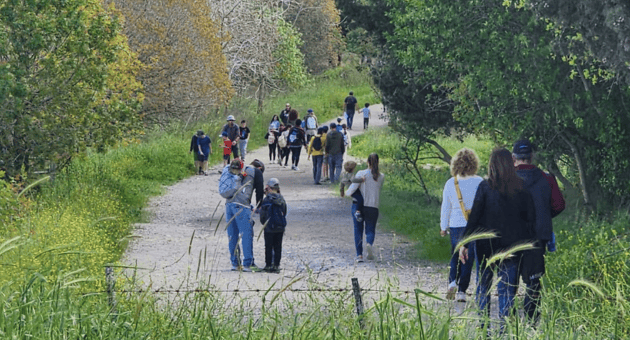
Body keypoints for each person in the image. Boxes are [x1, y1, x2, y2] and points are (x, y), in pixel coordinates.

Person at [459, 148, 536, 329]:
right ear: (511, 163)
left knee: (483, 288)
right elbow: (530, 220)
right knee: (507, 291)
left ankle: (484, 329)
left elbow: (475, 217)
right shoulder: (522, 187)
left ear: (492, 164)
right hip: (512, 248)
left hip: (486, 246)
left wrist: (465, 242)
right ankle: (504, 331)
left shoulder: (485, 187)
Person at [512, 139, 565, 323]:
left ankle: (508, 318)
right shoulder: (547, 178)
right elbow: (559, 205)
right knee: (533, 281)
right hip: (537, 236)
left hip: (511, 237)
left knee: (510, 279)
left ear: (514, 158)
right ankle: (532, 320)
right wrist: (543, 214)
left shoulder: (506, 179)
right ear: (532, 157)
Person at [440, 148, 483, 302]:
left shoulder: (451, 183)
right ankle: (462, 292)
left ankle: (452, 282)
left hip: (456, 224)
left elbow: (446, 207)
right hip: (475, 226)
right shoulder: (480, 182)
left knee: (455, 255)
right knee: (468, 258)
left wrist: (443, 226)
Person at [222, 159, 265, 272]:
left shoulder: (231, 168)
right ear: (260, 168)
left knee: (232, 236)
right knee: (246, 234)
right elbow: (259, 191)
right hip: (242, 205)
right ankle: (248, 264)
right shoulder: (257, 172)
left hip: (229, 204)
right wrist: (258, 207)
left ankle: (235, 263)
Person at [346, 153, 385, 262]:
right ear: (378, 162)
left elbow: (350, 191)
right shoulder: (381, 176)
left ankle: (359, 255)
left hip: (359, 206)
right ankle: (369, 243)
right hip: (373, 206)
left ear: (368, 162)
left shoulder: (361, 173)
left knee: (358, 230)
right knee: (370, 229)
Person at [260, 178, 287, 273]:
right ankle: (276, 265)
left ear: (269, 188)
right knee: (278, 246)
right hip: (280, 226)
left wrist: (264, 223)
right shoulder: (281, 198)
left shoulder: (266, 199)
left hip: (269, 227)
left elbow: (262, 214)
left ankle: (268, 265)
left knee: (268, 246)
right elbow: (284, 211)